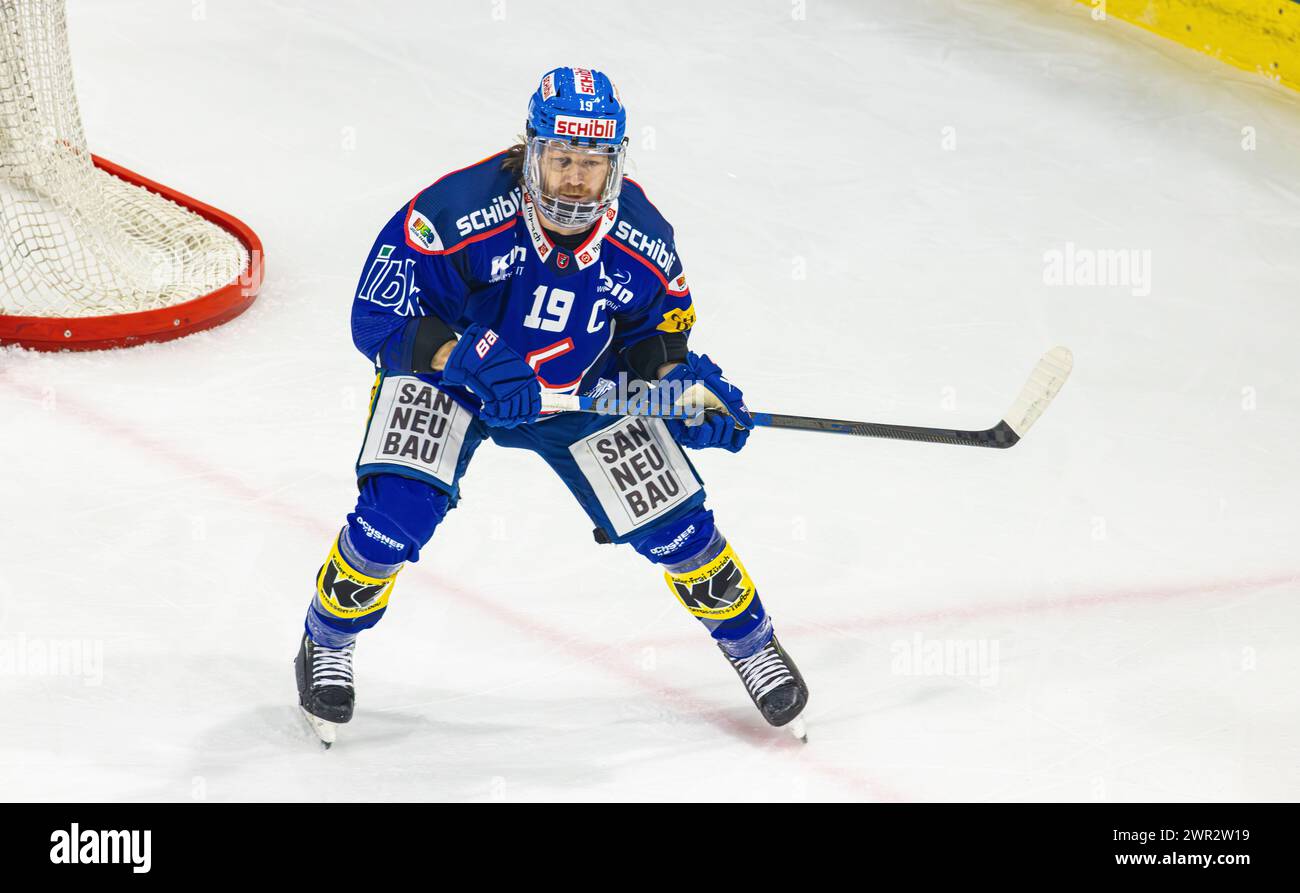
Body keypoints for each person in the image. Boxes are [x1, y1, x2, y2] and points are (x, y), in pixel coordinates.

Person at [294, 66, 808, 746]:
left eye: (590, 164)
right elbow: (378, 315)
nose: (574, 179)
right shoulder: (453, 212)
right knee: (395, 515)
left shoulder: (644, 237)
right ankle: (326, 638)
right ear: (530, 150)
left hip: (581, 388)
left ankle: (751, 643)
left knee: (677, 526)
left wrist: (682, 385)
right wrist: (463, 355)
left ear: (614, 165)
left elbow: (657, 335)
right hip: (454, 380)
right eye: (562, 159)